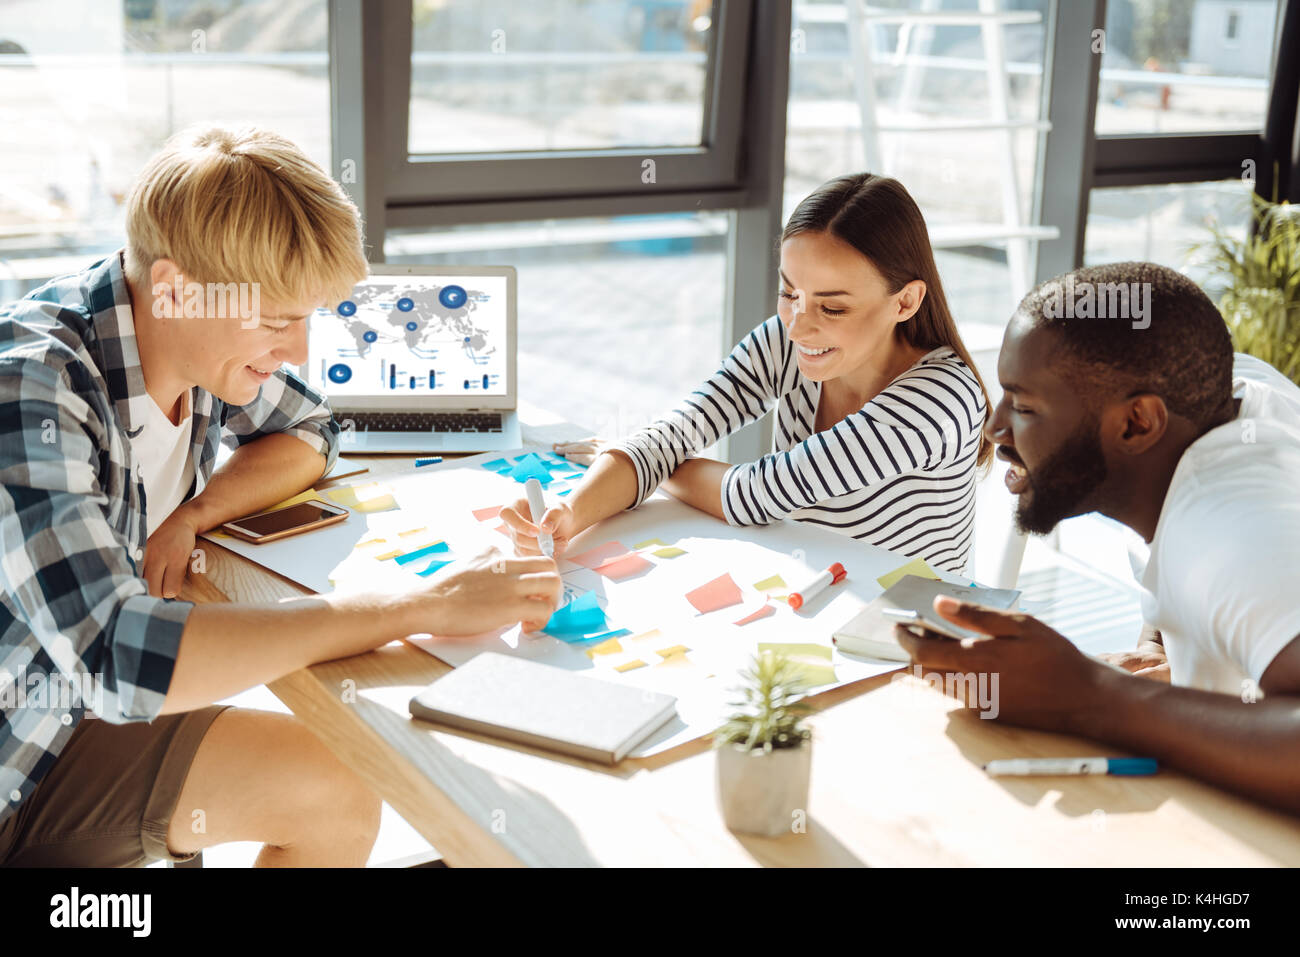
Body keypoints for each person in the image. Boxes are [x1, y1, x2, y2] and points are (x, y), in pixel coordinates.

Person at [0, 126, 560, 867]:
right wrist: (420, 606)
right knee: (333, 787)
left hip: (84, 715)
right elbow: (117, 658)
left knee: (336, 782)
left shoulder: (178, 335)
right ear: (173, 287)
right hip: (23, 761)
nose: (298, 351)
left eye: (306, 317)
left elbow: (310, 428)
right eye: (274, 322)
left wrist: (192, 513)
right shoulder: (31, 391)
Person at [898, 261, 1300, 815]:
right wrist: (1156, 645)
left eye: (1026, 407)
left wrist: (1087, 696)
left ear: (1137, 424)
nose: (995, 427)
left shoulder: (1227, 537)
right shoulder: (1218, 403)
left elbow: (1221, 554)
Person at [503, 174, 992, 574]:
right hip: (817, 591)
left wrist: (651, 457)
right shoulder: (789, 341)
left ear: (904, 301)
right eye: (790, 292)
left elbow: (757, 494)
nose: (800, 323)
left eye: (833, 307)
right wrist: (568, 514)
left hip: (907, 637)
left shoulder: (939, 400)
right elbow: (680, 430)